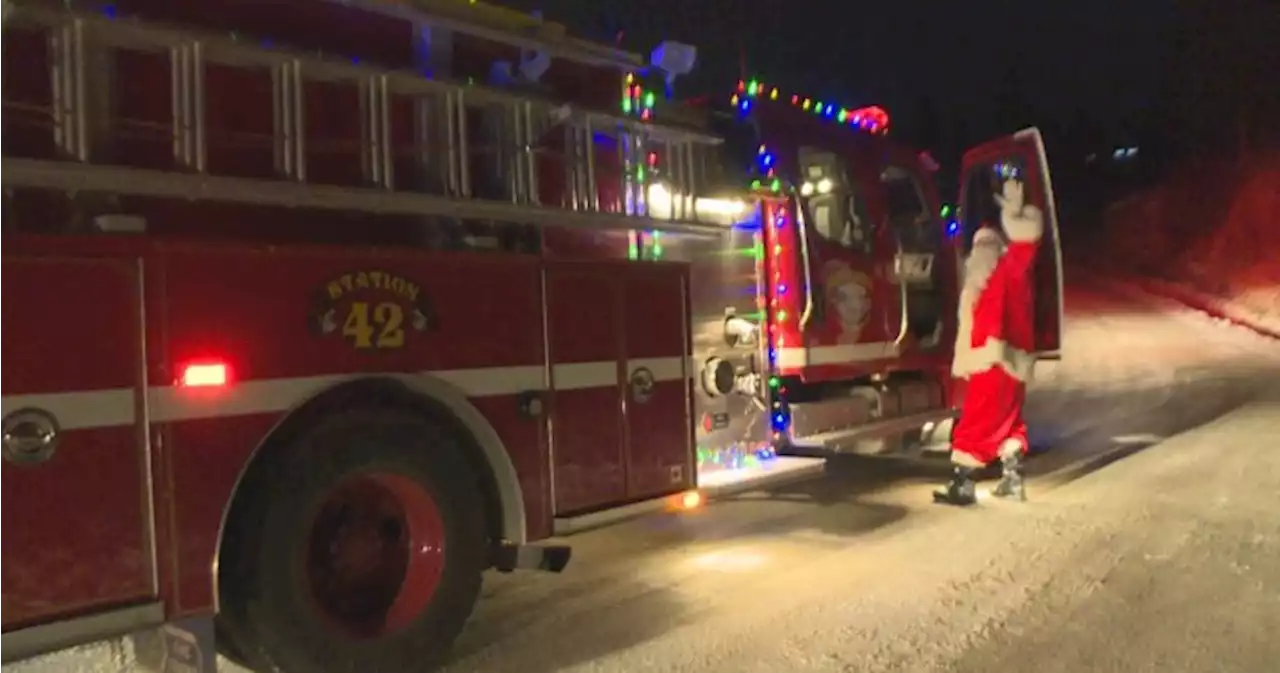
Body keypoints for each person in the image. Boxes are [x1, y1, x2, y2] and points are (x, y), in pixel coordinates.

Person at [933, 169, 1044, 506]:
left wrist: (980, 354)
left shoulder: (997, 275)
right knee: (1009, 423)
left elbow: (990, 319)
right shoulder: (1012, 272)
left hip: (991, 360)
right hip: (1012, 362)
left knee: (975, 422)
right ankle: (1012, 480)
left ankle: (962, 484)